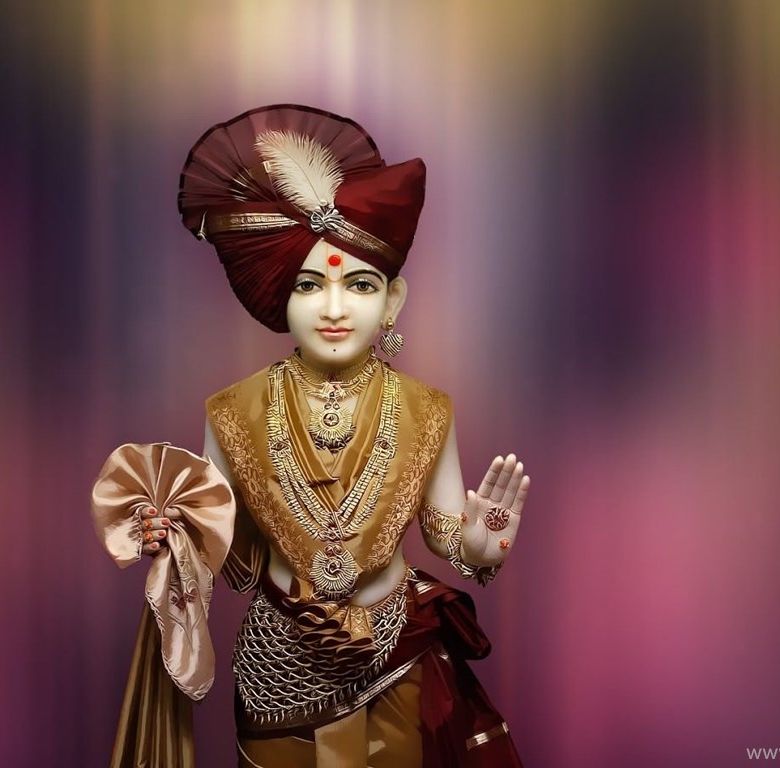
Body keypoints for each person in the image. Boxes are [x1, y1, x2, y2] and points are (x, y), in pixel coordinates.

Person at [94, 105, 529, 767]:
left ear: (392, 302)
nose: (333, 308)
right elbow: (217, 551)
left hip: (396, 664)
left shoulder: (427, 409)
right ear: (283, 300)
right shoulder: (233, 410)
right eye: (308, 285)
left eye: (360, 285)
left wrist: (478, 545)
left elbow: (446, 532)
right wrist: (172, 540)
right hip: (279, 674)